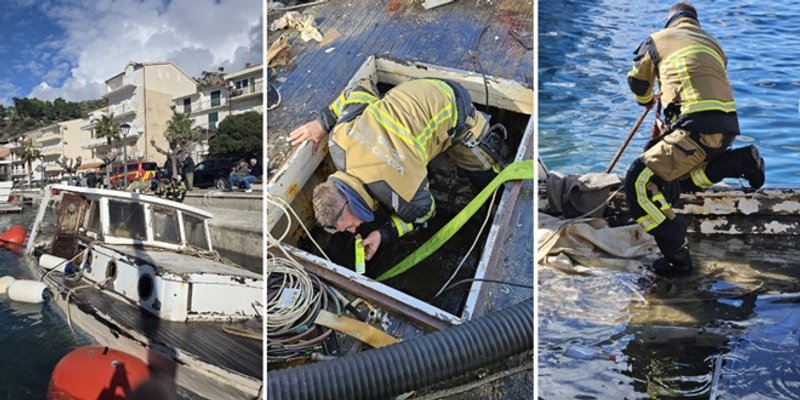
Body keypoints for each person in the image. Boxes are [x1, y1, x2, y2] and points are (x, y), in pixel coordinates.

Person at [290, 78, 509, 262]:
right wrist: (323, 122)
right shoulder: (339, 142)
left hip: (452, 106)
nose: (353, 231)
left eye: (347, 227)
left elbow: (427, 212)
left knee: (490, 176)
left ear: (348, 204)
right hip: (413, 92)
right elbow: (359, 88)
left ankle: (498, 197)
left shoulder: (399, 191)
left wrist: (385, 233)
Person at [624, 2, 765, 275]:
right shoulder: (713, 44)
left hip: (694, 128)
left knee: (638, 180)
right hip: (725, 129)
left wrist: (645, 100)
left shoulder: (657, 40)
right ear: (694, 22)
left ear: (671, 21)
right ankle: (739, 161)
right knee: (677, 179)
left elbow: (637, 82)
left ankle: (677, 255)